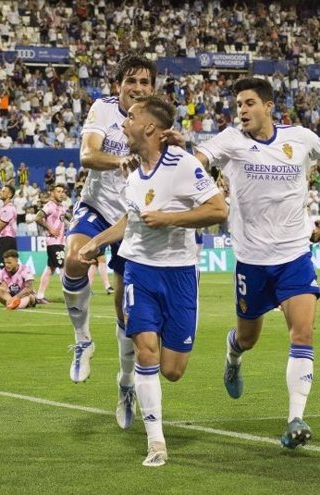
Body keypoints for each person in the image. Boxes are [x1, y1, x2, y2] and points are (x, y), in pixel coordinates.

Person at [171, 77, 320, 449]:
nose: (242, 110)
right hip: (252, 260)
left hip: (295, 255)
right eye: (238, 104)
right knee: (248, 338)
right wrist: (181, 155)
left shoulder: (302, 139)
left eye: (249, 103)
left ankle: (295, 419)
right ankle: (233, 354)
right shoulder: (230, 140)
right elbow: (199, 161)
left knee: (302, 334)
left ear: (269, 106)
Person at [79, 95, 227, 467]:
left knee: (172, 370)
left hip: (179, 274)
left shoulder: (182, 164)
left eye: (130, 118)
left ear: (149, 127)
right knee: (145, 349)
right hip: (139, 271)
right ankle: (156, 443)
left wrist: (171, 219)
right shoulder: (130, 173)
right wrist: (97, 241)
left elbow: (218, 209)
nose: (123, 123)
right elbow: (131, 219)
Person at [63, 55, 156, 430]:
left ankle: (125, 383)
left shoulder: (157, 120)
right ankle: (83, 340)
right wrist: (119, 160)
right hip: (97, 207)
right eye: (131, 80)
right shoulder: (101, 109)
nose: (138, 88)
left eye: (145, 82)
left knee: (124, 314)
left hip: (132, 222)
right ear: (118, 83)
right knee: (73, 260)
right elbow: (87, 155)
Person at [35, 184, 69, 303]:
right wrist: (50, 229)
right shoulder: (49, 206)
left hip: (60, 242)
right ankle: (69, 295)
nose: (61, 194)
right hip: (54, 242)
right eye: (58, 191)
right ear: (52, 193)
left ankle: (39, 295)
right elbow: (38, 217)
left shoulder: (62, 206)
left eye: (62, 191)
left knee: (50, 268)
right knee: (63, 266)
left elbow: (67, 217)